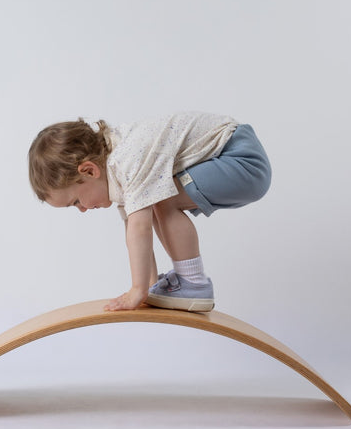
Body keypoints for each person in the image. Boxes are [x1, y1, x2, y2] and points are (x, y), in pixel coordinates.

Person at [28, 111, 271, 312]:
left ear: (90, 171)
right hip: (234, 156)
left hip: (243, 158)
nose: (81, 210)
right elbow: (134, 232)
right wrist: (150, 285)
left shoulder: (129, 159)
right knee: (156, 200)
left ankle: (195, 283)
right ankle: (187, 280)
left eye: (75, 202)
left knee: (164, 199)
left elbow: (140, 228)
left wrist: (137, 290)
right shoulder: (120, 172)